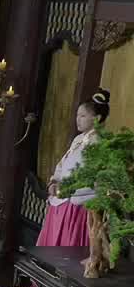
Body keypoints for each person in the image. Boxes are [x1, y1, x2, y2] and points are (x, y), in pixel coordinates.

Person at [37, 90, 109, 252]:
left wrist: (66, 190)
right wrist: (54, 182)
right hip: (61, 200)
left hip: (76, 205)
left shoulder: (99, 143)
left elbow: (93, 179)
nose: (78, 119)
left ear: (97, 118)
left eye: (83, 116)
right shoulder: (78, 139)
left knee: (66, 250)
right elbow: (62, 165)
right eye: (77, 115)